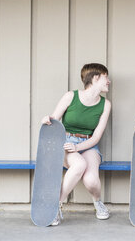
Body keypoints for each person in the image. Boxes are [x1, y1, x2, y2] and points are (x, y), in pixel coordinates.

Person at [41, 63, 111, 226]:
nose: (108, 81)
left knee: (92, 180)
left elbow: (96, 137)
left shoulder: (105, 104)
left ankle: (97, 202)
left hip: (88, 144)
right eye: (106, 77)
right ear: (95, 78)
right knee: (79, 165)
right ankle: (55, 206)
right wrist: (46, 120)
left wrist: (78, 147)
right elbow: (53, 120)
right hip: (66, 142)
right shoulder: (70, 96)